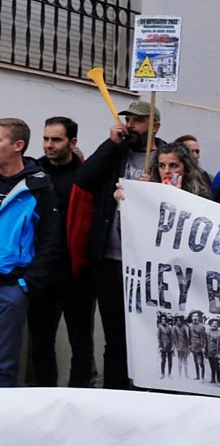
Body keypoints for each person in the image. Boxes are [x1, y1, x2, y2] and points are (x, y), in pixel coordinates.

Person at [71, 100, 165, 389]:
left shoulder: (167, 157)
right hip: (111, 260)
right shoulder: (116, 153)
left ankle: (145, 391)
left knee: (148, 335)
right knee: (115, 336)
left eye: (139, 121)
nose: (131, 126)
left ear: (155, 126)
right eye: (129, 120)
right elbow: (84, 180)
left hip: (148, 265)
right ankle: (114, 392)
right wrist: (109, 145)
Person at [28, 117, 95, 387]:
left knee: (81, 342)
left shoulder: (85, 175)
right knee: (41, 342)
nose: (48, 145)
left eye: (56, 139)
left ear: (72, 142)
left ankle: (79, 397)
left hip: (77, 272)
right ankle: (45, 397)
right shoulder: (32, 173)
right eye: (46, 139)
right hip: (41, 270)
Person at [0, 118, 60, 387]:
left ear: (18, 145)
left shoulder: (38, 187)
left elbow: (50, 240)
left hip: (11, 286)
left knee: (5, 362)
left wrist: (26, 284)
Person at [205, 317, 220, 385]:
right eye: (213, 323)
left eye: (216, 323)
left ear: (218, 325)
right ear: (210, 324)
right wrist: (205, 351)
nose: (214, 325)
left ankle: (218, 381)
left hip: (216, 352)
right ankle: (213, 379)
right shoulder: (208, 332)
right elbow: (206, 342)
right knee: (212, 366)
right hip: (210, 352)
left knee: (217, 367)